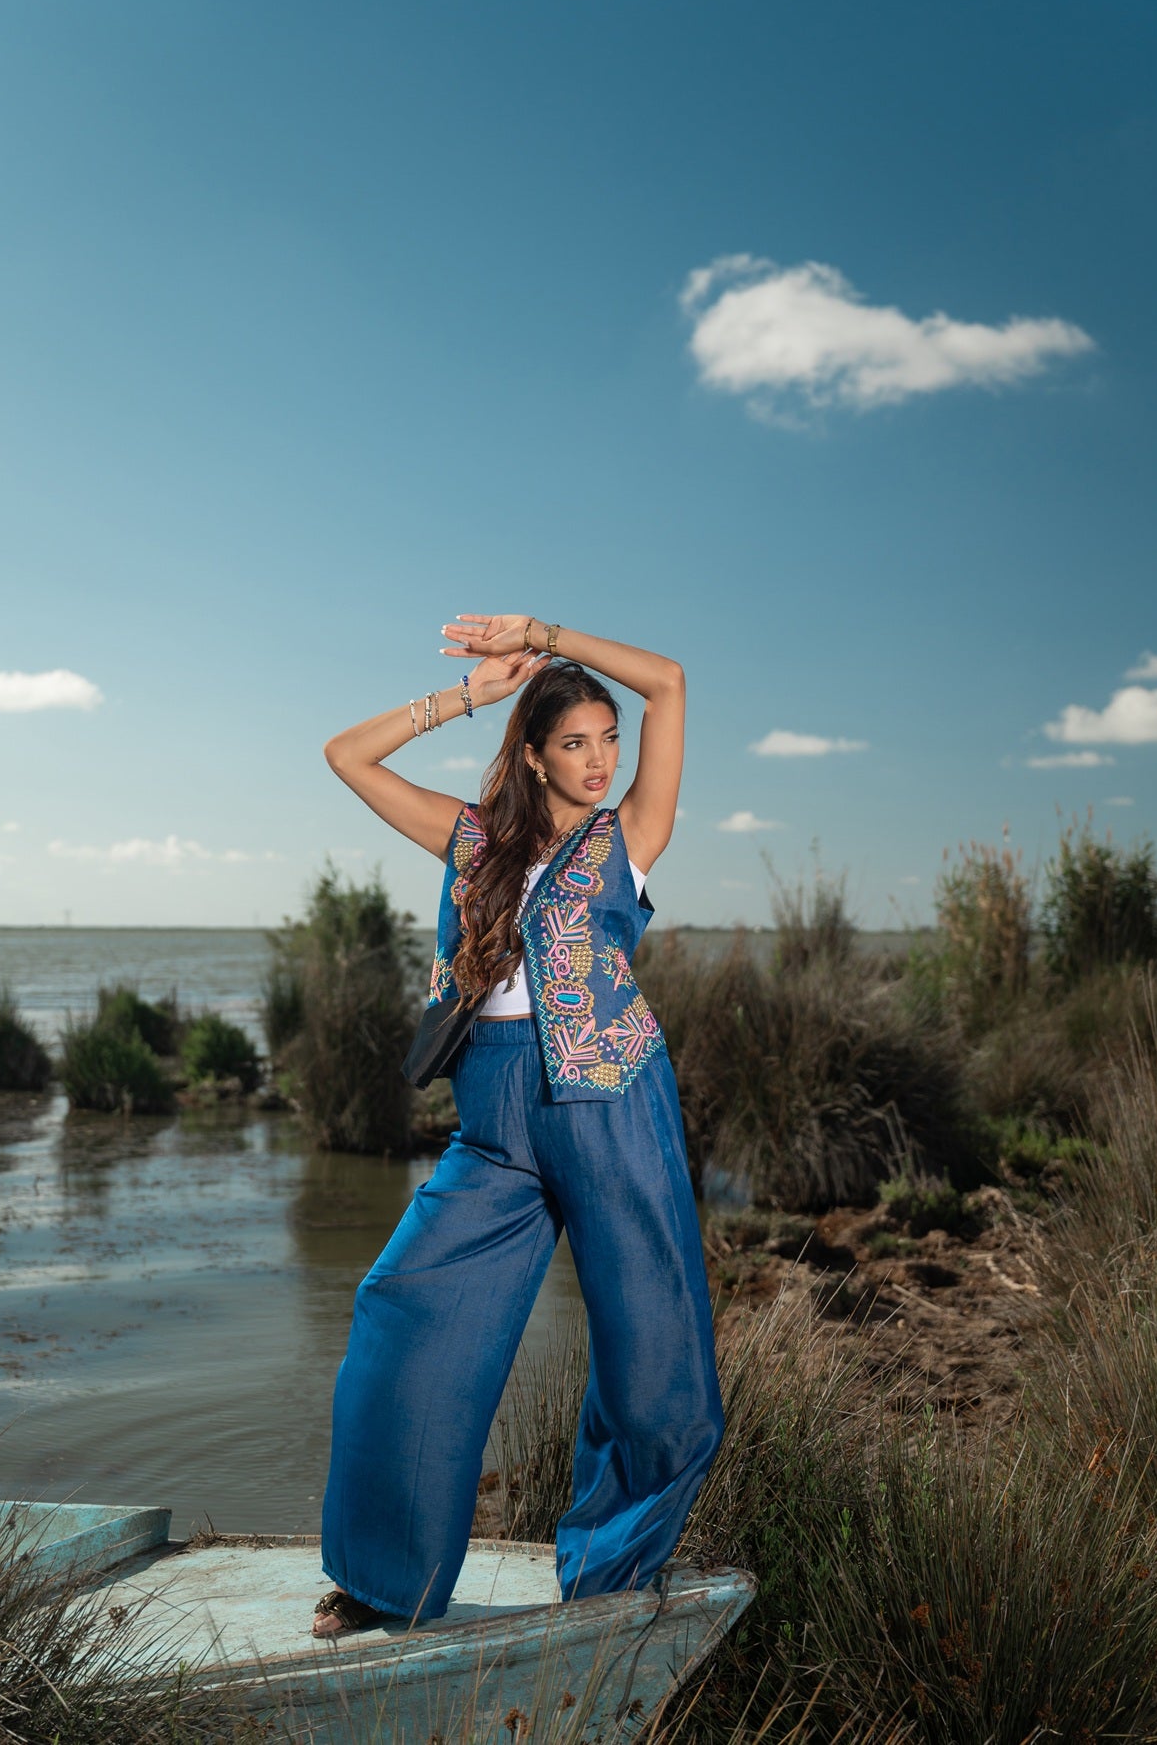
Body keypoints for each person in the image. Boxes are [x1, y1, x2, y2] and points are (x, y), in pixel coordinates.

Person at [312, 613, 724, 1638]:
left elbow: (668, 678)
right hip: (493, 1115)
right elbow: (344, 754)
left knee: (654, 1356)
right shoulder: (473, 838)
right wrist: (471, 694)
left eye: (607, 739)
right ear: (535, 753)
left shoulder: (628, 835)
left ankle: (610, 1578)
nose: (598, 760)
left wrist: (548, 631)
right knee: (402, 1309)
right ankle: (382, 1584)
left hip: (613, 1103)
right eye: (575, 742)